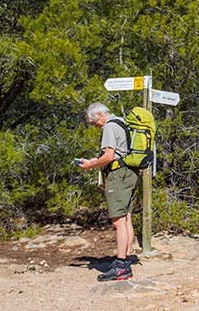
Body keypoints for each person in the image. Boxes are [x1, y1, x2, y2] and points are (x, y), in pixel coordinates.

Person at [78, 102, 138, 282]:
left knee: (118, 221)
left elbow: (109, 156)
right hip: (130, 173)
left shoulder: (110, 127)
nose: (94, 125)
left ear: (99, 114)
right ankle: (124, 260)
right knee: (126, 217)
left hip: (118, 175)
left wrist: (90, 164)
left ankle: (121, 266)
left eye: (93, 121)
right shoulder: (122, 122)